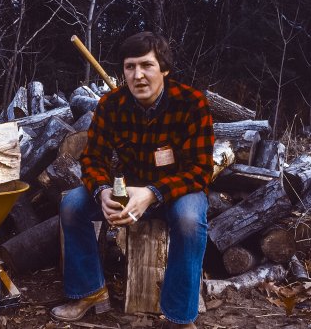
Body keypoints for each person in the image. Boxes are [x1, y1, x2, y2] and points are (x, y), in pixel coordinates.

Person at [51, 31, 215, 328]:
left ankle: (179, 316)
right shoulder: (111, 105)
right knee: (73, 204)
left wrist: (153, 193)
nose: (138, 75)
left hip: (177, 191)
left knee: (190, 220)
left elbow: (200, 170)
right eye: (130, 67)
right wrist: (102, 191)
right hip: (128, 188)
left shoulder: (192, 104)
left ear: (164, 68)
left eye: (147, 65)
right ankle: (89, 291)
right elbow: (93, 159)